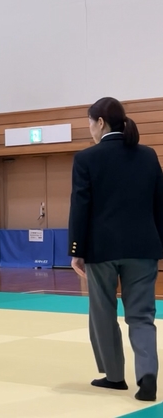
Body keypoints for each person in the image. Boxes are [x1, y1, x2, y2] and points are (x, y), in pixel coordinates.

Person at [69, 97, 163, 402]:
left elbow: (80, 207)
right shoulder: (148, 156)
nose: (89, 129)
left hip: (101, 250)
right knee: (142, 316)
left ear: (100, 122)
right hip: (144, 248)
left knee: (103, 313)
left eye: (89, 123)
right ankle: (147, 376)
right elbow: (159, 205)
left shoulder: (86, 158)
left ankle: (114, 376)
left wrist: (76, 249)